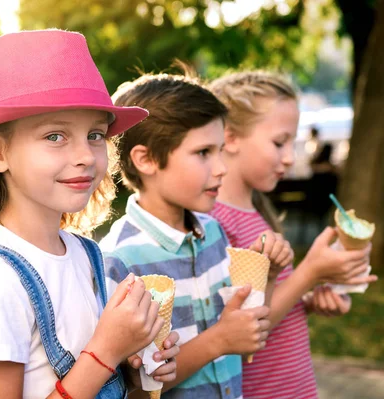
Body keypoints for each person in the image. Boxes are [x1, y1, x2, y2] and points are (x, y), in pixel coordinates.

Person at [0, 29, 179, 399]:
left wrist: (133, 367)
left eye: (96, 135)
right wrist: (105, 353)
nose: (86, 156)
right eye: (55, 136)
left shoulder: (85, 255)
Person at [100, 72, 292, 398]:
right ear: (145, 159)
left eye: (220, 151)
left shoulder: (214, 232)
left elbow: (246, 328)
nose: (221, 168)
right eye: (204, 152)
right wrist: (218, 340)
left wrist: (268, 277)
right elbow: (133, 389)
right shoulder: (119, 262)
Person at [208, 71, 377, 398]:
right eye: (279, 142)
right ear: (229, 137)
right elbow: (243, 329)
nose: (290, 157)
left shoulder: (256, 214)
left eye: (292, 143)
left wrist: (309, 300)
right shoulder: (215, 223)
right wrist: (310, 273)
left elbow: (271, 300)